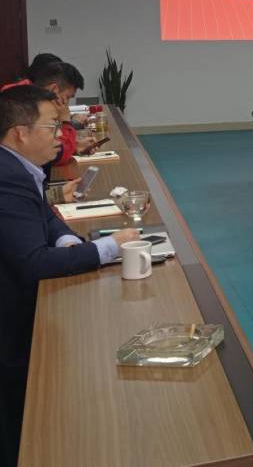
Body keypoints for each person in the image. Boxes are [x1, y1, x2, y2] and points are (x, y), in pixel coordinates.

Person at [0, 86, 138, 465]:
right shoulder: (6, 177)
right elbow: (34, 263)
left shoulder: (16, 166)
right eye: (52, 126)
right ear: (20, 133)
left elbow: (43, 215)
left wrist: (67, 241)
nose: (61, 135)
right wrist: (109, 247)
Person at [1, 60, 93, 167]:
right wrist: (66, 121)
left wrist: (74, 146)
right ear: (54, 90)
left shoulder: (23, 94)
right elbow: (60, 156)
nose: (67, 105)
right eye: (67, 97)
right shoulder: (24, 103)